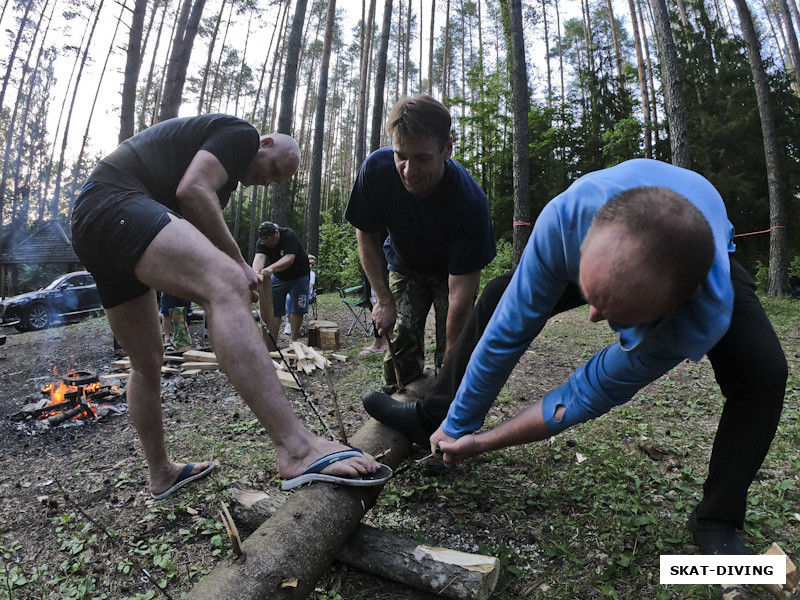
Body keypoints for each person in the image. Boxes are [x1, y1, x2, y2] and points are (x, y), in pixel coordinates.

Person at [364, 158, 786, 556]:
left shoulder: (695, 314)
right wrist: (459, 427)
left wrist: (486, 444)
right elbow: (506, 335)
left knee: (763, 371)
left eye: (614, 313)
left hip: (698, 245)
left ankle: (717, 520)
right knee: (498, 297)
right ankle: (437, 421)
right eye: (590, 294)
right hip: (603, 230)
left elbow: (587, 392)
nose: (592, 317)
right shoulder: (561, 222)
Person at [71, 113, 390, 500]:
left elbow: (186, 233)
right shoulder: (242, 134)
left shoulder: (221, 180)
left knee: (145, 361)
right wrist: (238, 265)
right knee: (225, 285)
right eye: (272, 169)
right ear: (266, 143)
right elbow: (193, 190)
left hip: (94, 222)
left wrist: (231, 271)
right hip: (116, 201)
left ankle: (161, 473)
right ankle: (296, 447)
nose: (267, 180)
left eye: (275, 181)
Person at [345, 94, 496, 389]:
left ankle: (447, 410)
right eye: (400, 155)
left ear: (446, 149)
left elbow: (460, 296)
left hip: (449, 274)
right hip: (404, 266)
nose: (409, 171)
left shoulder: (469, 201)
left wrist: (452, 354)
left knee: (454, 353)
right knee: (400, 342)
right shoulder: (376, 170)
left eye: (422, 158)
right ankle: (396, 403)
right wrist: (383, 299)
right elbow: (366, 233)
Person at [252, 221, 311, 344]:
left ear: (276, 233)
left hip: (300, 275)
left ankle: (293, 340)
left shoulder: (288, 235)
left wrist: (271, 268)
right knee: (273, 309)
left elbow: (289, 258)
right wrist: (257, 273)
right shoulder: (262, 242)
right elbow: (259, 257)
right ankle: (272, 341)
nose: (270, 246)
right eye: (266, 244)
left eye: (271, 242)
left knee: (296, 308)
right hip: (279, 277)